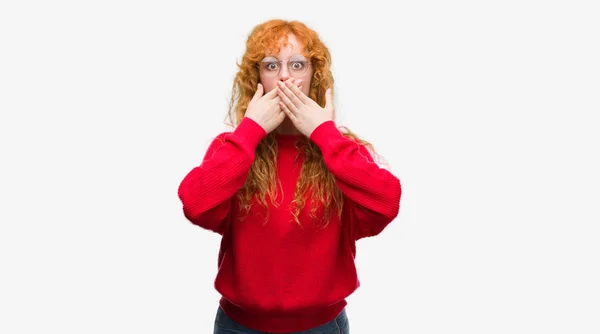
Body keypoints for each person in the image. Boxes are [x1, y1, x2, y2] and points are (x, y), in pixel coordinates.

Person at [177, 19, 401, 334]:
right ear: (257, 79)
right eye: (271, 65)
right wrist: (250, 130)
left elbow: (387, 203)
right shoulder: (234, 149)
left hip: (321, 327)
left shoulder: (341, 151)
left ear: (314, 76)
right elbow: (195, 204)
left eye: (297, 65)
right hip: (239, 326)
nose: (284, 75)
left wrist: (325, 134)